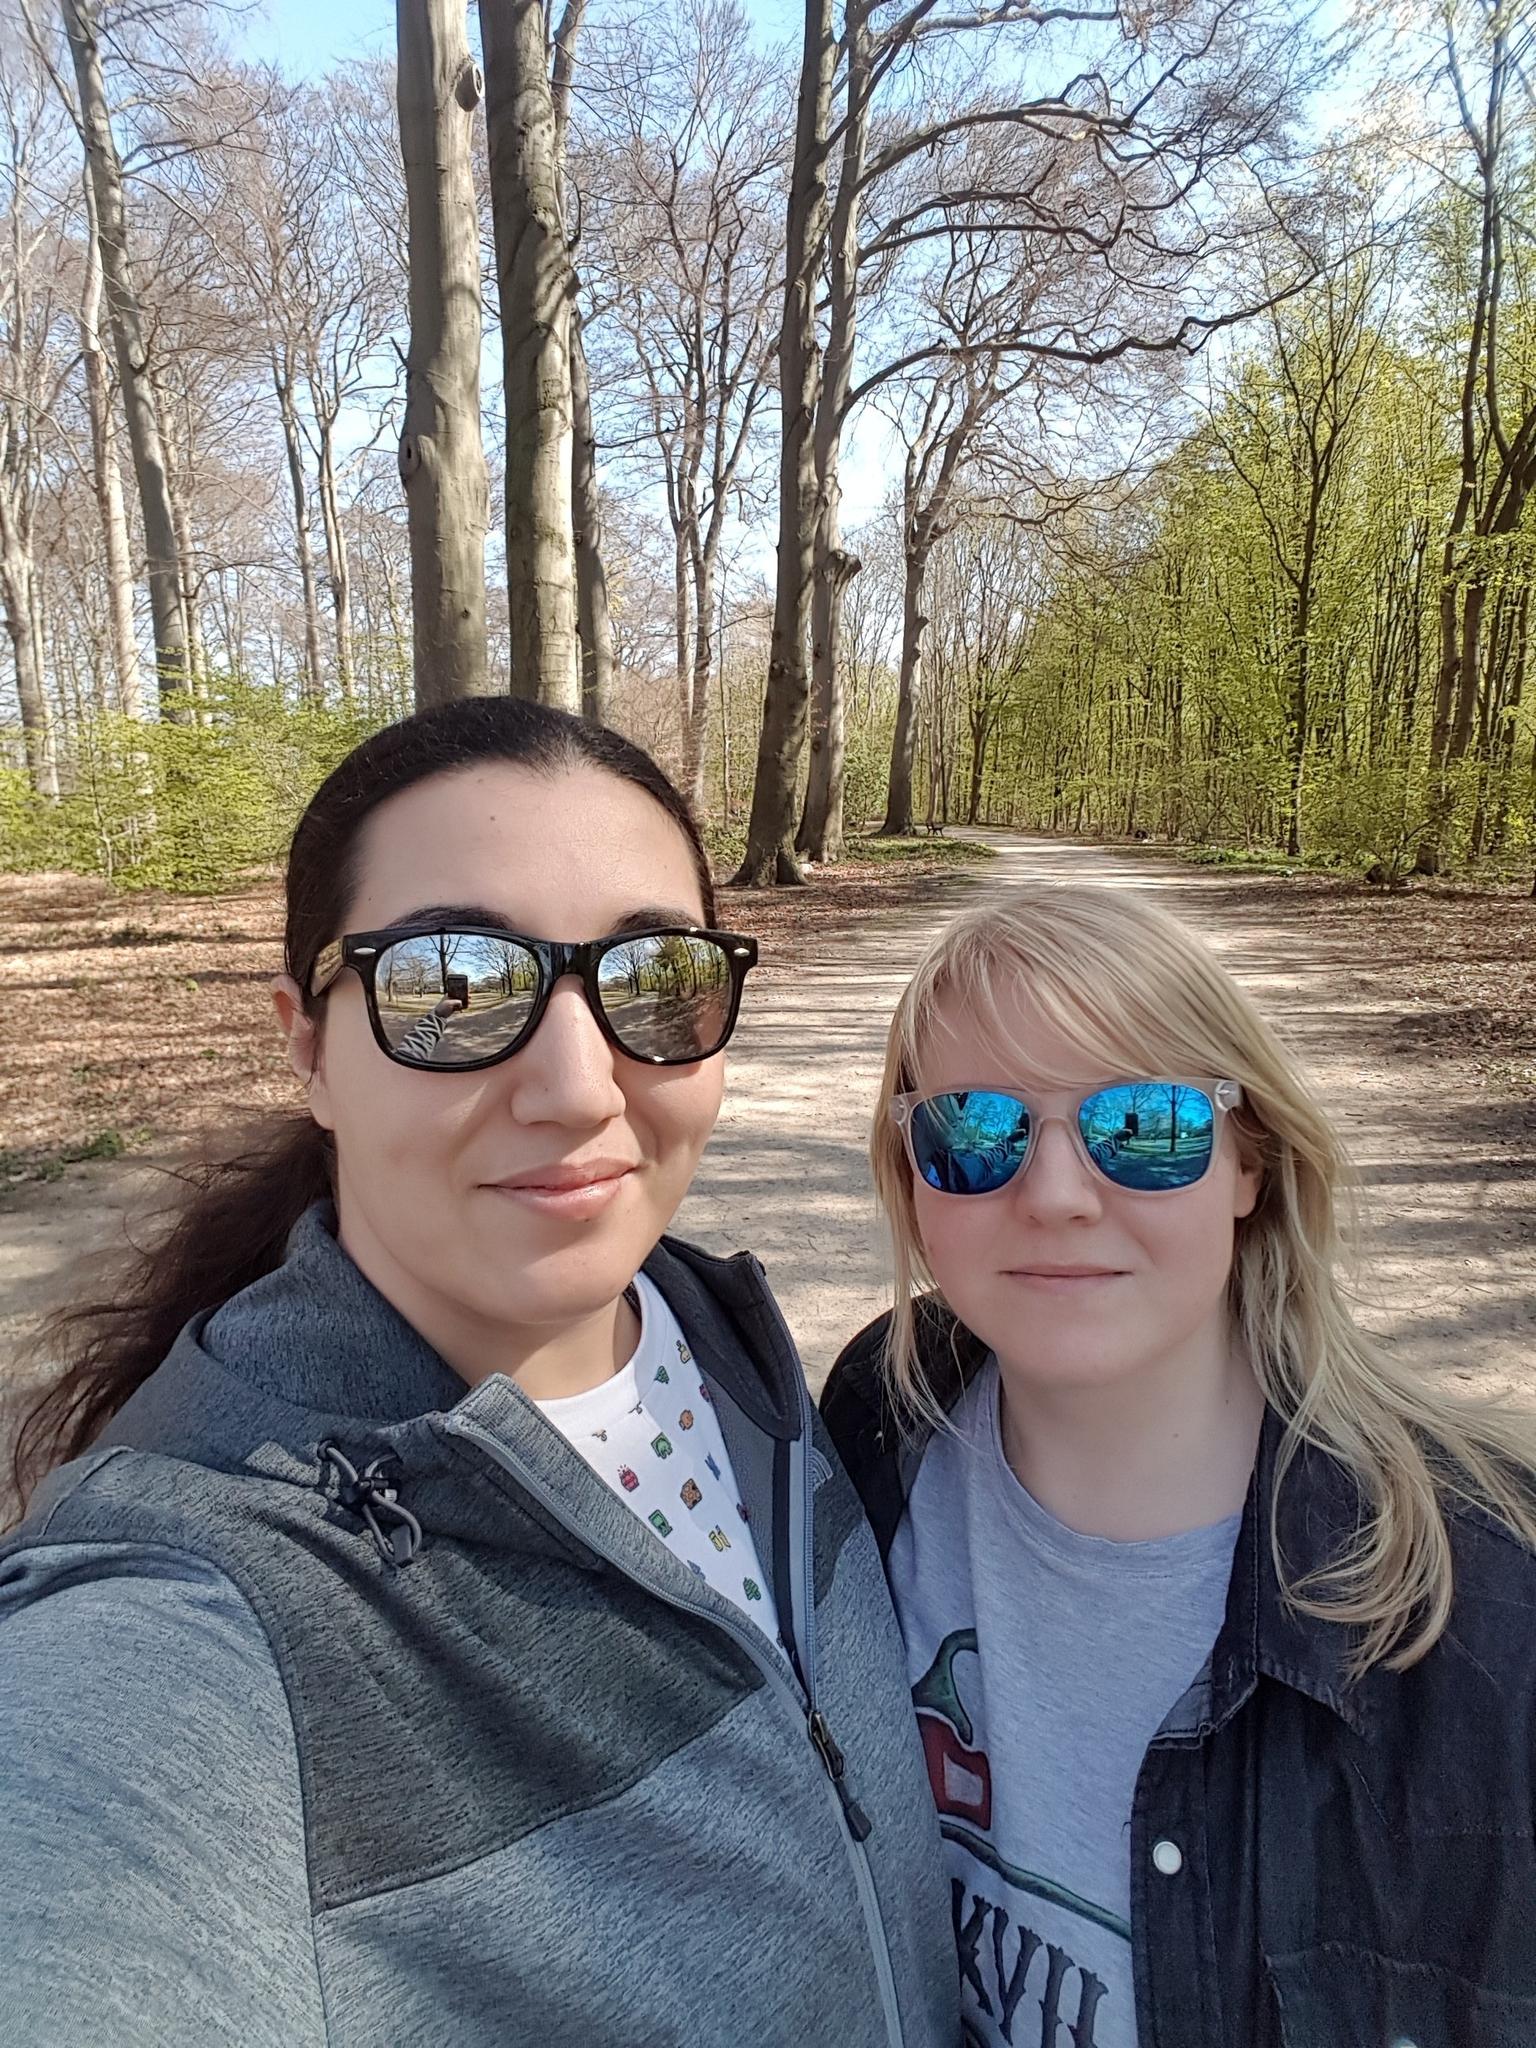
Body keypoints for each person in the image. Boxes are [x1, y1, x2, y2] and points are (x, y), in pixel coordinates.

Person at [0, 698, 956, 2048]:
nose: (578, 1086)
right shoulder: (191, 1618)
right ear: (306, 1044)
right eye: (452, 984)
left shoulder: (731, 1349)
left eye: (654, 978)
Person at [821, 883, 1536, 2048]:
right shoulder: (880, 1423)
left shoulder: (1488, 1615)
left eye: (1144, 1123)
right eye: (974, 1130)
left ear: (1250, 1162)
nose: (1056, 1196)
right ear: (911, 1175)